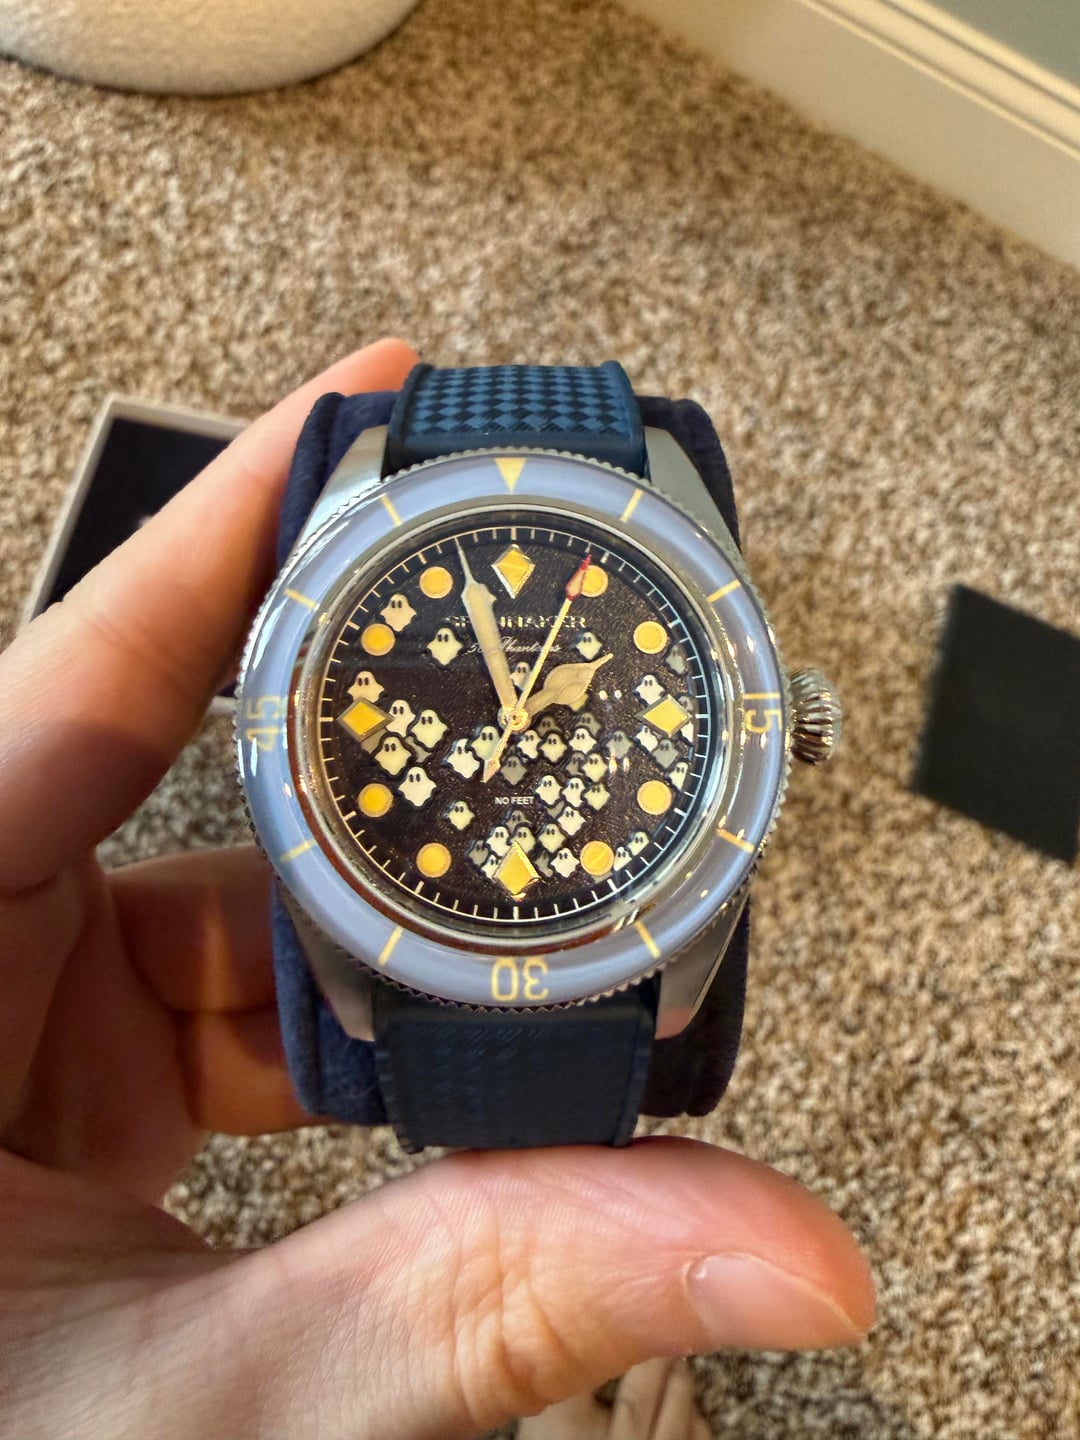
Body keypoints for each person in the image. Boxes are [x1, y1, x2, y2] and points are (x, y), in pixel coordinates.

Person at [0, 338, 874, 1438]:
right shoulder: (352, 982)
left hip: (567, 932)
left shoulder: (672, 990)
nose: (508, 730)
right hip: (464, 938)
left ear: (786, 724)